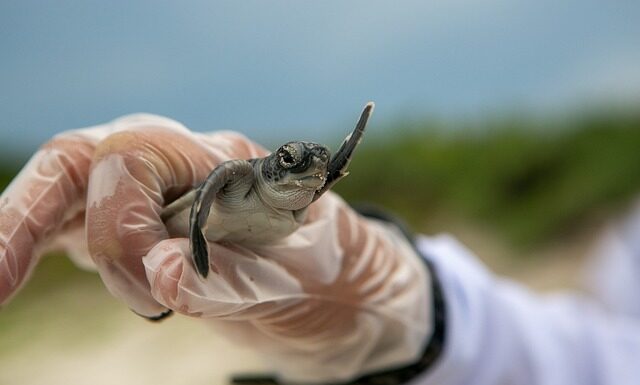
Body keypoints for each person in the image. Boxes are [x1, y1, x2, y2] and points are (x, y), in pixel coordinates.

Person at [0, 114, 639, 385]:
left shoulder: (313, 178)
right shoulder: (244, 174)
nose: (308, 168)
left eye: (318, 166)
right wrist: (435, 315)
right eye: (292, 160)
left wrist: (394, 303)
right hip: (213, 218)